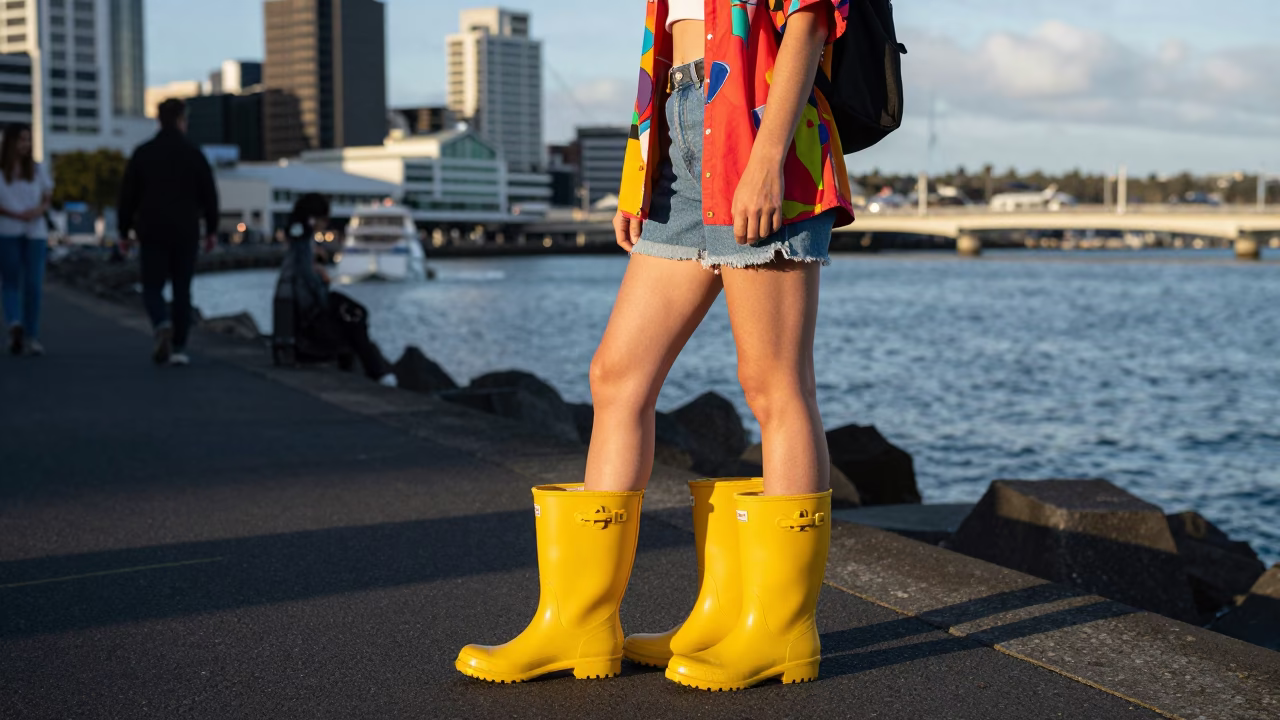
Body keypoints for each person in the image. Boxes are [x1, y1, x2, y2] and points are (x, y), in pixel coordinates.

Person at [456, 0, 854, 691]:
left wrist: (766, 157)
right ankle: (579, 621)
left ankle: (779, 627)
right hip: (682, 137)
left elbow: (810, 20)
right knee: (617, 376)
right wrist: (639, 167)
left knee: (774, 386)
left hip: (760, 133)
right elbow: (668, 42)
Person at [117, 98, 219, 366]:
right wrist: (211, 230)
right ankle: (179, 348)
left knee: (152, 286)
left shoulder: (143, 152)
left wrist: (123, 230)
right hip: (186, 228)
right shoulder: (194, 153)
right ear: (182, 119)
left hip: (151, 228)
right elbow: (209, 194)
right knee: (182, 289)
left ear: (158, 119)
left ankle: (161, 322)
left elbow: (127, 195)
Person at [274, 193, 397, 387]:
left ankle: (376, 372)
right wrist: (321, 278)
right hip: (309, 320)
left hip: (302, 317)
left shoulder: (299, 242)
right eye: (324, 219)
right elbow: (309, 286)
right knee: (354, 316)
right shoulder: (302, 245)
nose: (326, 223)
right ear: (313, 218)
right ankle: (378, 373)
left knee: (351, 317)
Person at [0, 124, 53, 356]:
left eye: (28, 140)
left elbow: (47, 196)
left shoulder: (38, 169)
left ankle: (31, 335)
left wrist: (38, 211)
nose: (26, 144)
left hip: (35, 232)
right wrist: (15, 214)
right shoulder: (1, 171)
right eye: (21, 139)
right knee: (10, 282)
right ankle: (15, 324)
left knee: (33, 285)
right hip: (8, 230)